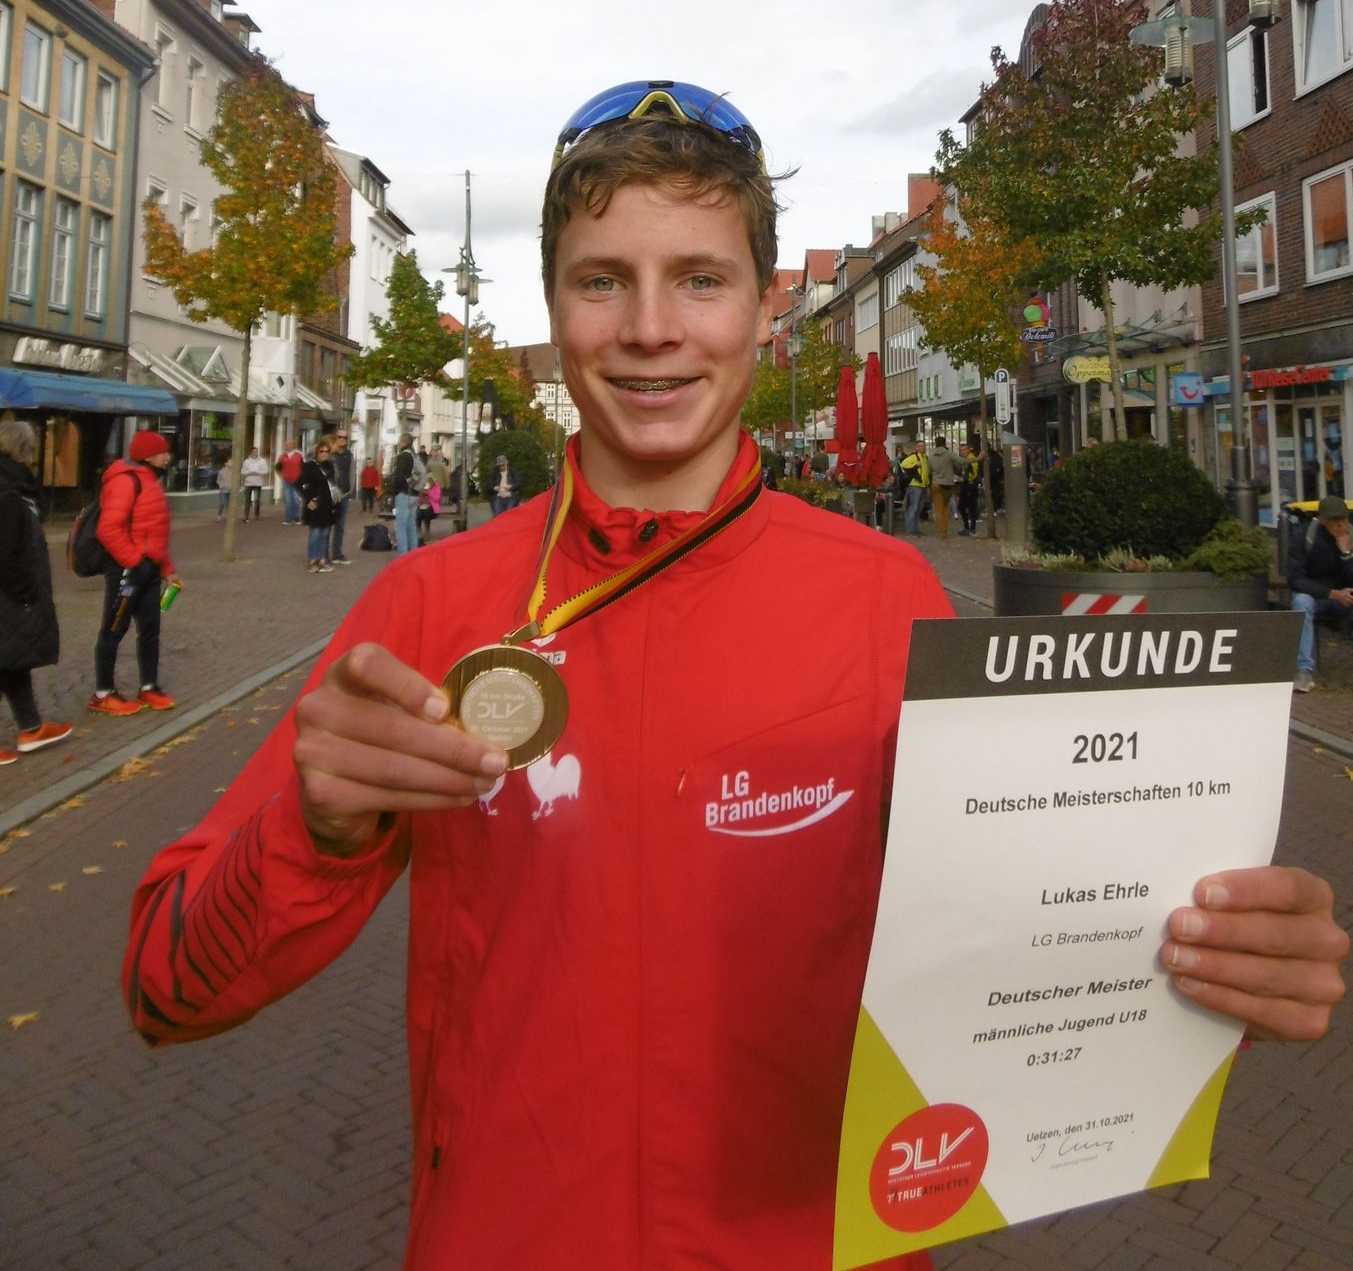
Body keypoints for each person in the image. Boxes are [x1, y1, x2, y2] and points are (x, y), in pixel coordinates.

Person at [123, 80, 1348, 1271]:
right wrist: (316, 831)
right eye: (603, 280)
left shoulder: (891, 605)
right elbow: (166, 990)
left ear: (765, 309)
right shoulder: (428, 607)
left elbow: (1037, 942)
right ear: (555, 306)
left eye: (700, 279)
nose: (651, 328)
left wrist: (1206, 963)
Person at [90, 429, 179, 716]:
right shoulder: (126, 482)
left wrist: (166, 569)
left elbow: (153, 533)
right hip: (126, 571)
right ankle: (103, 692)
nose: (168, 457)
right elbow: (108, 529)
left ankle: (149, 686)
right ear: (148, 456)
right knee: (114, 628)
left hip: (148, 570)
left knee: (150, 629)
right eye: (163, 452)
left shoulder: (151, 482)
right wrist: (134, 561)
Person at [0, 421, 71, 763]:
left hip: (14, 593)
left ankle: (31, 726)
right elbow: (6, 554)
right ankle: (31, 727)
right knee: (7, 657)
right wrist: (26, 592)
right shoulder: (9, 494)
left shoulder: (16, 489)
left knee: (15, 657)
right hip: (10, 593)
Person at [1288, 494, 1353, 693]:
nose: (1341, 525)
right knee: (1301, 602)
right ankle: (1304, 671)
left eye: (1344, 520)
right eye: (1335, 521)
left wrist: (1346, 555)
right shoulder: (1304, 537)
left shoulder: (1351, 536)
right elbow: (1296, 579)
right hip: (1316, 596)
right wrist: (1331, 593)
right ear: (1323, 520)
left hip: (1346, 597)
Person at [299, 439, 338, 575]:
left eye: (327, 452)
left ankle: (322, 559)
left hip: (327, 503)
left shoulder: (330, 466)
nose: (324, 454)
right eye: (322, 451)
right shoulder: (309, 466)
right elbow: (299, 484)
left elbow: (332, 484)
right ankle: (312, 560)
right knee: (315, 533)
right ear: (317, 452)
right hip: (315, 503)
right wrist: (308, 500)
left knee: (325, 532)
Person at [386, 434, 419, 556]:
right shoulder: (415, 456)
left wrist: (392, 492)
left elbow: (399, 476)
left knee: (401, 527)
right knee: (412, 527)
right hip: (414, 494)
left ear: (404, 442)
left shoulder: (403, 456)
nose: (398, 443)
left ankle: (402, 556)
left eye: (399, 441)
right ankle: (413, 555)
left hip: (404, 494)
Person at [328, 429, 355, 566]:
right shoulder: (328, 453)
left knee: (340, 526)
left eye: (345, 437)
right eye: (340, 437)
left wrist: (351, 487)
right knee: (326, 525)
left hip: (343, 494)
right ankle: (323, 555)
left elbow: (352, 471)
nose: (342, 440)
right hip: (330, 494)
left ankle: (337, 554)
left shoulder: (348, 454)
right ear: (336, 438)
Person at [928, 435, 959, 540]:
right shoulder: (949, 454)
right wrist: (977, 459)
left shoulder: (931, 455)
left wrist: (929, 486)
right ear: (944, 443)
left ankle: (942, 532)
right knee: (945, 508)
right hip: (948, 484)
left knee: (938, 509)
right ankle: (945, 529)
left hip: (936, 484)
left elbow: (929, 472)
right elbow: (960, 461)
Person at [900, 438, 929, 535]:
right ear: (916, 447)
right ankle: (910, 529)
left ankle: (915, 528)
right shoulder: (914, 457)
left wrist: (927, 484)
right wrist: (916, 465)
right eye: (920, 446)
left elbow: (926, 472)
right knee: (913, 507)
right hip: (915, 485)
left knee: (919, 508)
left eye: (923, 446)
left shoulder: (925, 458)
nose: (922, 447)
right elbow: (903, 464)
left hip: (922, 485)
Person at [957, 441, 981, 538]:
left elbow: (973, 473)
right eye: (961, 450)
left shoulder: (971, 459)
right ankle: (967, 527)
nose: (962, 452)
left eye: (964, 450)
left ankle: (971, 528)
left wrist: (967, 478)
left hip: (970, 485)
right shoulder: (966, 459)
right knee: (962, 506)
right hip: (965, 484)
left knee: (970, 507)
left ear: (968, 450)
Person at [277, 438, 304, 524]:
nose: (288, 446)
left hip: (297, 480)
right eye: (287, 444)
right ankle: (288, 518)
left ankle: (296, 517)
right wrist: (281, 475)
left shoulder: (299, 455)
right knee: (288, 499)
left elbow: (303, 466)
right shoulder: (282, 456)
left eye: (290, 444)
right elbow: (278, 467)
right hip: (287, 480)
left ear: (293, 445)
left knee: (295, 499)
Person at [241, 446, 269, 521]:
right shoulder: (246, 462)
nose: (255, 453)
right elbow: (243, 472)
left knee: (256, 500)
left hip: (258, 483)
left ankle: (256, 514)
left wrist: (258, 472)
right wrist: (249, 472)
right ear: (251, 452)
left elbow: (266, 471)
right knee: (247, 500)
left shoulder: (262, 461)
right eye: (254, 452)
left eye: (256, 452)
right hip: (248, 483)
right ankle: (246, 515)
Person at [488, 452, 520, 517]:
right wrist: (494, 488)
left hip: (510, 496)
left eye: (503, 465)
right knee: (497, 513)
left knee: (509, 514)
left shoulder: (512, 472)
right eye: (500, 465)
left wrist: (511, 487)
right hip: (498, 496)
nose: (502, 467)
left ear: (506, 463)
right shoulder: (495, 473)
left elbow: (519, 483)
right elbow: (489, 485)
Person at [416, 476, 441, 546]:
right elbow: (418, 500)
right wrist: (421, 496)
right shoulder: (423, 487)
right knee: (419, 513)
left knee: (426, 512)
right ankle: (418, 533)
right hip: (423, 507)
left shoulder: (436, 487)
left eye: (429, 482)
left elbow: (437, 498)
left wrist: (429, 493)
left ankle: (427, 531)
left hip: (433, 508)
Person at [215, 455, 233, 520]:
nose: (232, 463)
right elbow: (218, 480)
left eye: (232, 462)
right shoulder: (221, 472)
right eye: (230, 462)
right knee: (222, 503)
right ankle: (219, 515)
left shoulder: (234, 472)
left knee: (229, 504)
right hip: (223, 490)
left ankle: (229, 516)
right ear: (226, 464)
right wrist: (220, 485)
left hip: (230, 490)